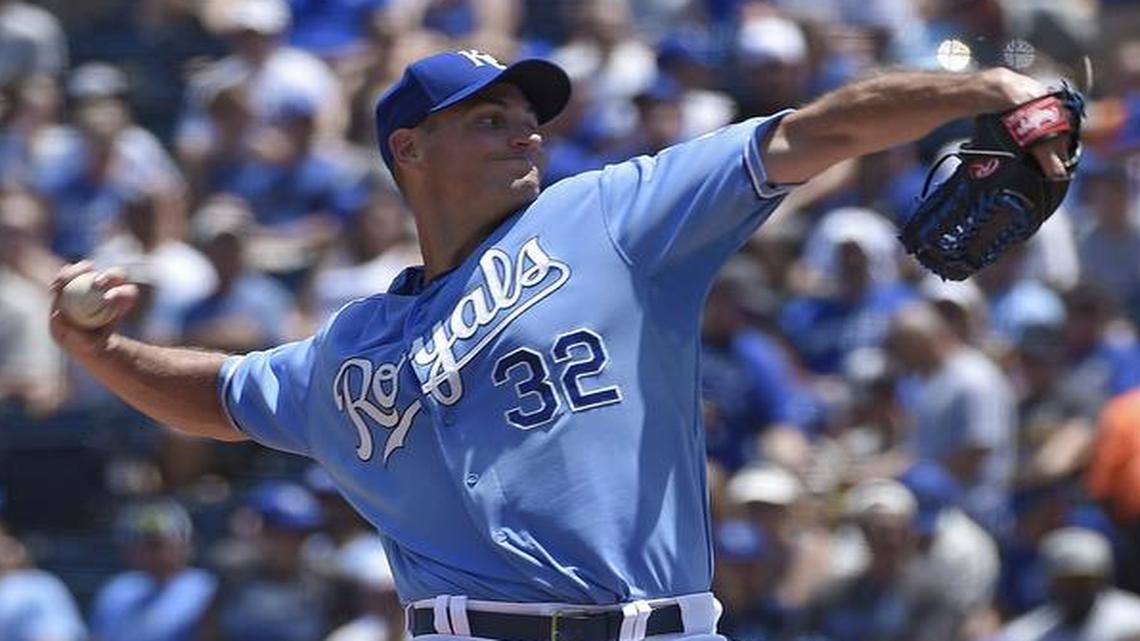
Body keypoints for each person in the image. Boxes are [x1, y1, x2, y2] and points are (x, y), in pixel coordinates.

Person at [49, 48, 1072, 641]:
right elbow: (220, 397)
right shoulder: (356, 348)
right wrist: (99, 351)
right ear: (409, 148)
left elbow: (811, 132)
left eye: (529, 116)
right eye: (489, 117)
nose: (525, 130)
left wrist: (979, 89)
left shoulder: (612, 215)